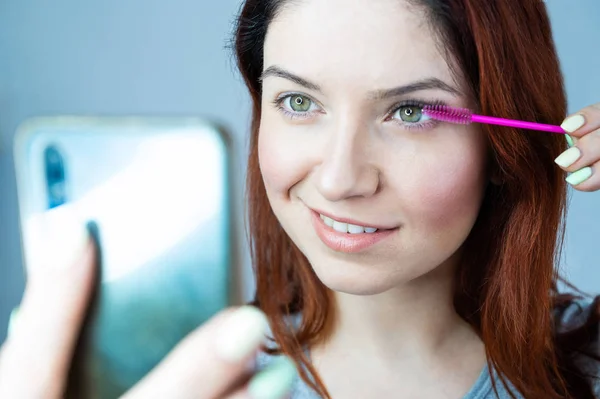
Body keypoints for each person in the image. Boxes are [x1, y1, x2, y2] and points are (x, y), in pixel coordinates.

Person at [1, 0, 599, 398]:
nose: (340, 179)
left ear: (504, 143)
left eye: (410, 111)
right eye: (299, 102)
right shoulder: (202, 383)